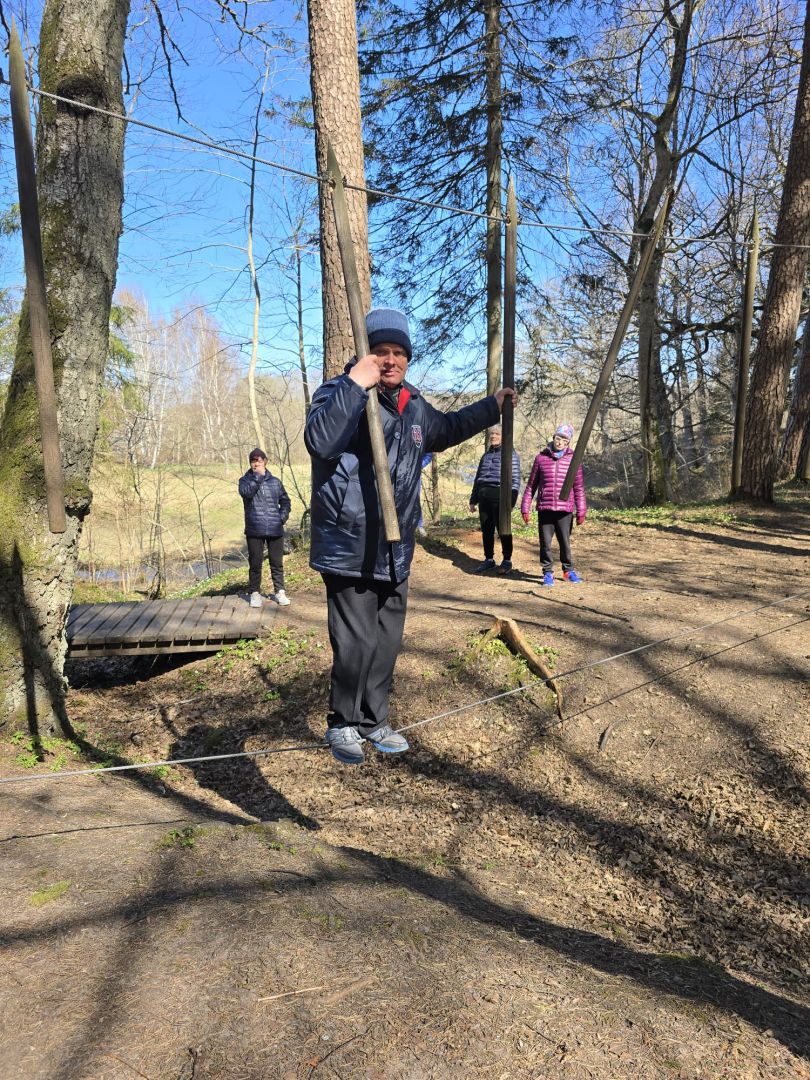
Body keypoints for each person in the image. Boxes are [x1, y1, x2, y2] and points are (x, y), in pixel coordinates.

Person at [305, 307, 518, 764]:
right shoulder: (339, 394)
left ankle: (373, 720)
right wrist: (352, 384)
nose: (390, 360)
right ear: (367, 356)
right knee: (356, 639)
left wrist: (493, 406)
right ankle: (342, 723)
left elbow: (450, 428)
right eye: (381, 351)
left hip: (396, 545)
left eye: (398, 352)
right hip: (350, 543)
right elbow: (319, 442)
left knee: (386, 639)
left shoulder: (414, 405)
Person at [520, 423, 586, 586]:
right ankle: (548, 573)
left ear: (568, 441)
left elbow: (578, 487)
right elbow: (531, 486)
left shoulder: (573, 459)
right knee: (545, 543)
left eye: (564, 439)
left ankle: (567, 570)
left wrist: (581, 510)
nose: (560, 442)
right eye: (558, 438)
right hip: (545, 507)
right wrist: (525, 507)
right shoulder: (541, 458)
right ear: (553, 438)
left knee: (565, 541)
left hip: (565, 509)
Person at [239, 448, 292, 608]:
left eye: (259, 461)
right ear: (250, 463)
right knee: (255, 564)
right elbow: (247, 494)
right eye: (253, 461)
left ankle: (280, 592)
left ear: (265, 462)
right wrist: (257, 476)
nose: (256, 464)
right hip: (254, 529)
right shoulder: (245, 481)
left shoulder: (275, 481)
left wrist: (281, 518)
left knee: (277, 563)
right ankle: (255, 594)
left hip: (275, 529)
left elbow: (285, 501)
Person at [468, 426, 521, 574]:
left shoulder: (510, 454)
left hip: (501, 497)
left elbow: (515, 480)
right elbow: (477, 479)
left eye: (497, 434)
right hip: (483, 497)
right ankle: (489, 559)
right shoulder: (485, 456)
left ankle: (507, 560)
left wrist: (511, 501)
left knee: (503, 530)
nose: (493, 436)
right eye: (492, 433)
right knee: (487, 530)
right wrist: (473, 500)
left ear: (503, 437)